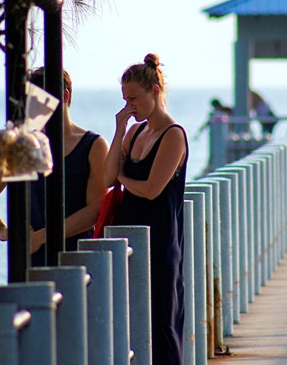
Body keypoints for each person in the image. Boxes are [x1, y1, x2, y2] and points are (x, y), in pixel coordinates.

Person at [104, 54, 188, 365]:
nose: (130, 106)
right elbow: (106, 177)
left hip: (161, 241)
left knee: (161, 323)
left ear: (154, 90)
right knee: (131, 322)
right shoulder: (135, 132)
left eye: (134, 99)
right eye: (125, 100)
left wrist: (123, 178)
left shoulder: (173, 135)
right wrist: (118, 128)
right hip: (130, 239)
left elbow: (152, 190)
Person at [0, 67, 110, 266]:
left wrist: (42, 237)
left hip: (78, 263)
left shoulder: (93, 145)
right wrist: (3, 231)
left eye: (40, 100)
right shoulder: (25, 144)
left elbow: (95, 210)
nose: (35, 109)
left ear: (65, 95)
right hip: (31, 264)